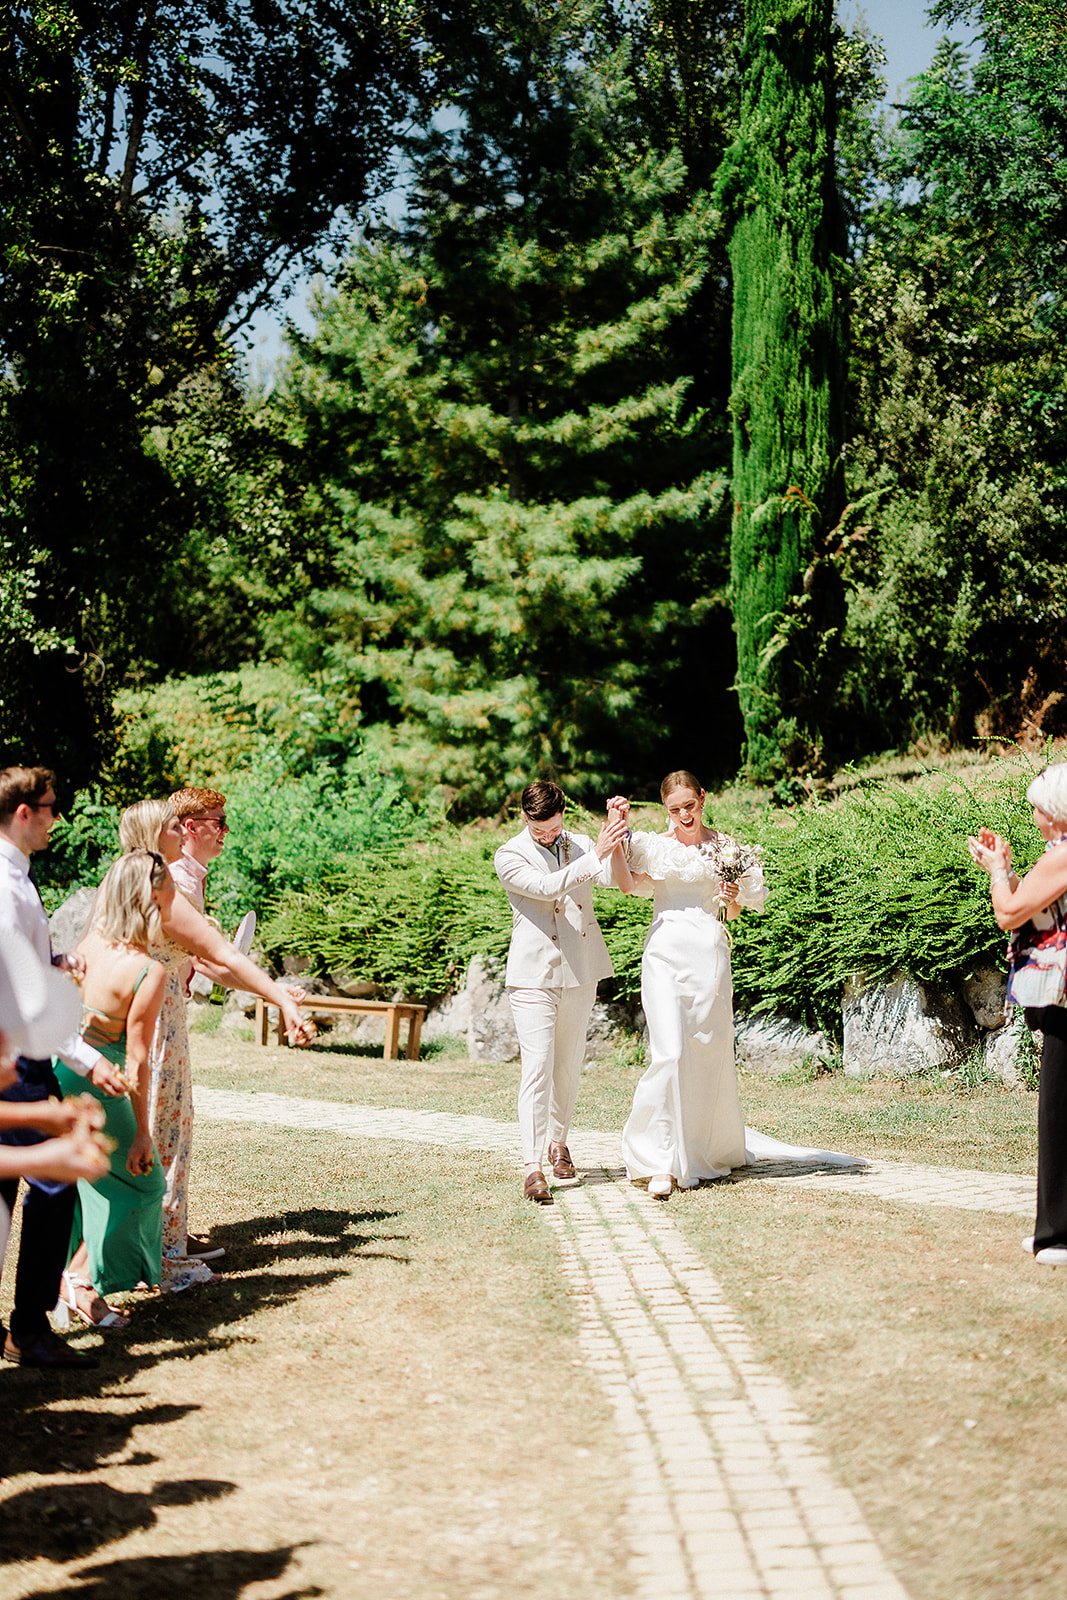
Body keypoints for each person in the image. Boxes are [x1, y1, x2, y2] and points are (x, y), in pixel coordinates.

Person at [118, 798, 313, 1287]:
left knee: (162, 1129)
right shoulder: (170, 883)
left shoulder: (149, 878)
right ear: (183, 828)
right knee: (161, 1132)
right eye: (216, 824)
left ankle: (163, 1238)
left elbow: (207, 961)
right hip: (156, 1018)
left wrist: (272, 991)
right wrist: (277, 996)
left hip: (155, 1013)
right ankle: (161, 1248)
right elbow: (214, 958)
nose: (223, 832)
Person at [0, 766, 129, 1368]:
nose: (57, 818)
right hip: (18, 1060)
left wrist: (51, 960)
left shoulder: (16, 878)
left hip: (19, 1052)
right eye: (51, 808)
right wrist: (87, 1057)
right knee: (55, 1184)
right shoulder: (5, 884)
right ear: (24, 813)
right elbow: (20, 998)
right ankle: (29, 1330)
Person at [609, 772, 766, 1198]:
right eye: (674, 809)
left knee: (706, 1050)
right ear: (666, 810)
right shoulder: (655, 847)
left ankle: (701, 1148)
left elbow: (731, 913)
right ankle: (659, 1159)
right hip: (663, 954)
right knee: (669, 1051)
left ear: (703, 798)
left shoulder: (727, 848)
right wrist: (617, 831)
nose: (683, 815)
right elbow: (626, 885)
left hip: (709, 955)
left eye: (689, 806)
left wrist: (731, 895)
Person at [494, 780, 630, 1203]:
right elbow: (547, 887)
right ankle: (532, 1166)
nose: (548, 837)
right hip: (532, 975)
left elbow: (616, 878)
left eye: (553, 829)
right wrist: (598, 853)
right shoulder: (509, 854)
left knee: (568, 1065)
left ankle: (559, 1142)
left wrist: (618, 830)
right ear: (524, 818)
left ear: (563, 815)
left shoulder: (583, 843)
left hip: (579, 968)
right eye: (540, 831)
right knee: (537, 1066)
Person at [53, 852, 169, 1327]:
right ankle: (80, 1282)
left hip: (63, 1072)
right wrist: (143, 1130)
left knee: (80, 1185)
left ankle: (62, 1280)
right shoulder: (148, 970)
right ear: (151, 898)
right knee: (142, 1183)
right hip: (107, 1080)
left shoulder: (90, 944)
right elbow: (138, 1057)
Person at [968, 762, 1067, 1266]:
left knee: (1058, 1112)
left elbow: (1009, 912)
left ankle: (1057, 1234)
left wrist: (995, 871)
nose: (1032, 816)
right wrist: (1004, 864)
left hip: (1065, 995)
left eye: (1037, 808)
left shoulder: (1062, 857)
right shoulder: (1057, 855)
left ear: (1055, 814)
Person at [168, 786, 227, 914]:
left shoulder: (192, 876)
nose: (226, 829)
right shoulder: (179, 881)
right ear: (192, 827)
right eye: (220, 823)